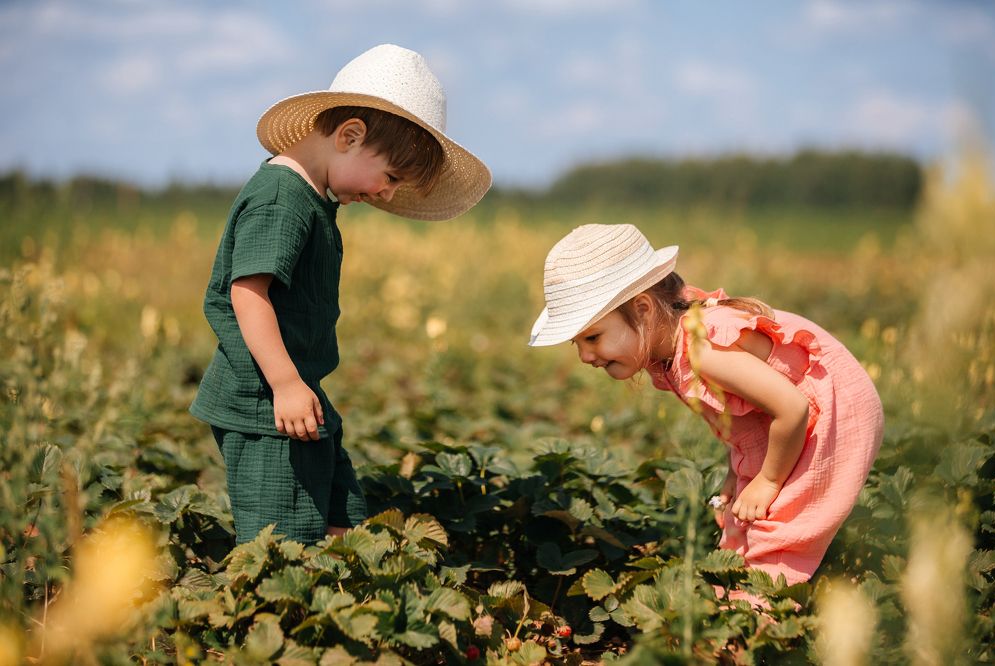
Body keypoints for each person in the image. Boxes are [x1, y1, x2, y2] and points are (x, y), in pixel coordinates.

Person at [190, 44, 491, 545]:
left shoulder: (311, 199)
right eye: (391, 177)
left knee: (341, 515)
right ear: (350, 136)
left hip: (298, 394)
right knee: (280, 539)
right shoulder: (281, 198)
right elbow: (247, 293)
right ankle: (273, 618)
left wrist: (296, 386)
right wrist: (286, 384)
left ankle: (334, 602)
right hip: (265, 404)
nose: (387, 194)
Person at [528, 224, 883, 585]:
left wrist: (769, 479)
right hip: (784, 421)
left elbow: (793, 408)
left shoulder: (704, 350)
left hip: (833, 410)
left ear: (644, 308)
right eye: (578, 344)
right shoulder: (670, 352)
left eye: (593, 337)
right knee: (739, 523)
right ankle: (742, 596)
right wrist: (738, 474)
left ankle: (762, 611)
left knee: (777, 533)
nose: (586, 356)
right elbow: (748, 420)